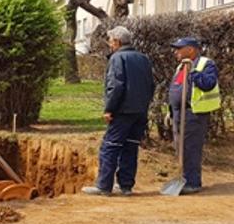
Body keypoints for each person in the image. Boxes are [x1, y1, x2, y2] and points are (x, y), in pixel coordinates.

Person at [82, 26, 154, 197]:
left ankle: (103, 186)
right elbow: (151, 85)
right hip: (140, 111)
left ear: (117, 41)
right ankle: (125, 186)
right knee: (131, 147)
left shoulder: (117, 58)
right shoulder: (143, 58)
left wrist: (109, 109)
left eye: (110, 41)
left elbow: (116, 86)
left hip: (122, 111)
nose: (109, 44)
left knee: (110, 146)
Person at [167, 37, 221, 195]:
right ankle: (184, 178)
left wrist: (193, 72)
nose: (175, 52)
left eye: (179, 48)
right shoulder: (181, 66)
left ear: (190, 49)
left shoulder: (205, 64)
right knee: (181, 148)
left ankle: (192, 182)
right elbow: (176, 88)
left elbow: (208, 83)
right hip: (178, 113)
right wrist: (170, 110)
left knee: (190, 148)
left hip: (193, 113)